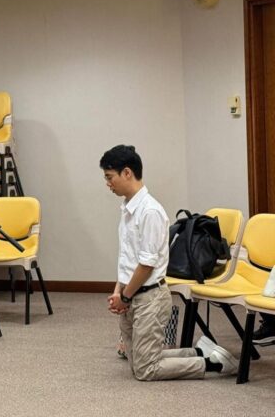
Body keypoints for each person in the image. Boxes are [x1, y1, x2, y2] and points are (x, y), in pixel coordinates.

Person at [100, 144, 239, 380]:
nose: (107, 183)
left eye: (109, 177)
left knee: (145, 370)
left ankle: (212, 364)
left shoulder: (150, 211)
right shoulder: (127, 209)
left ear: (127, 173)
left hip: (149, 297)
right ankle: (199, 351)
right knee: (137, 361)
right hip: (131, 293)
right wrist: (118, 292)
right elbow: (127, 259)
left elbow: (146, 265)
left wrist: (125, 297)